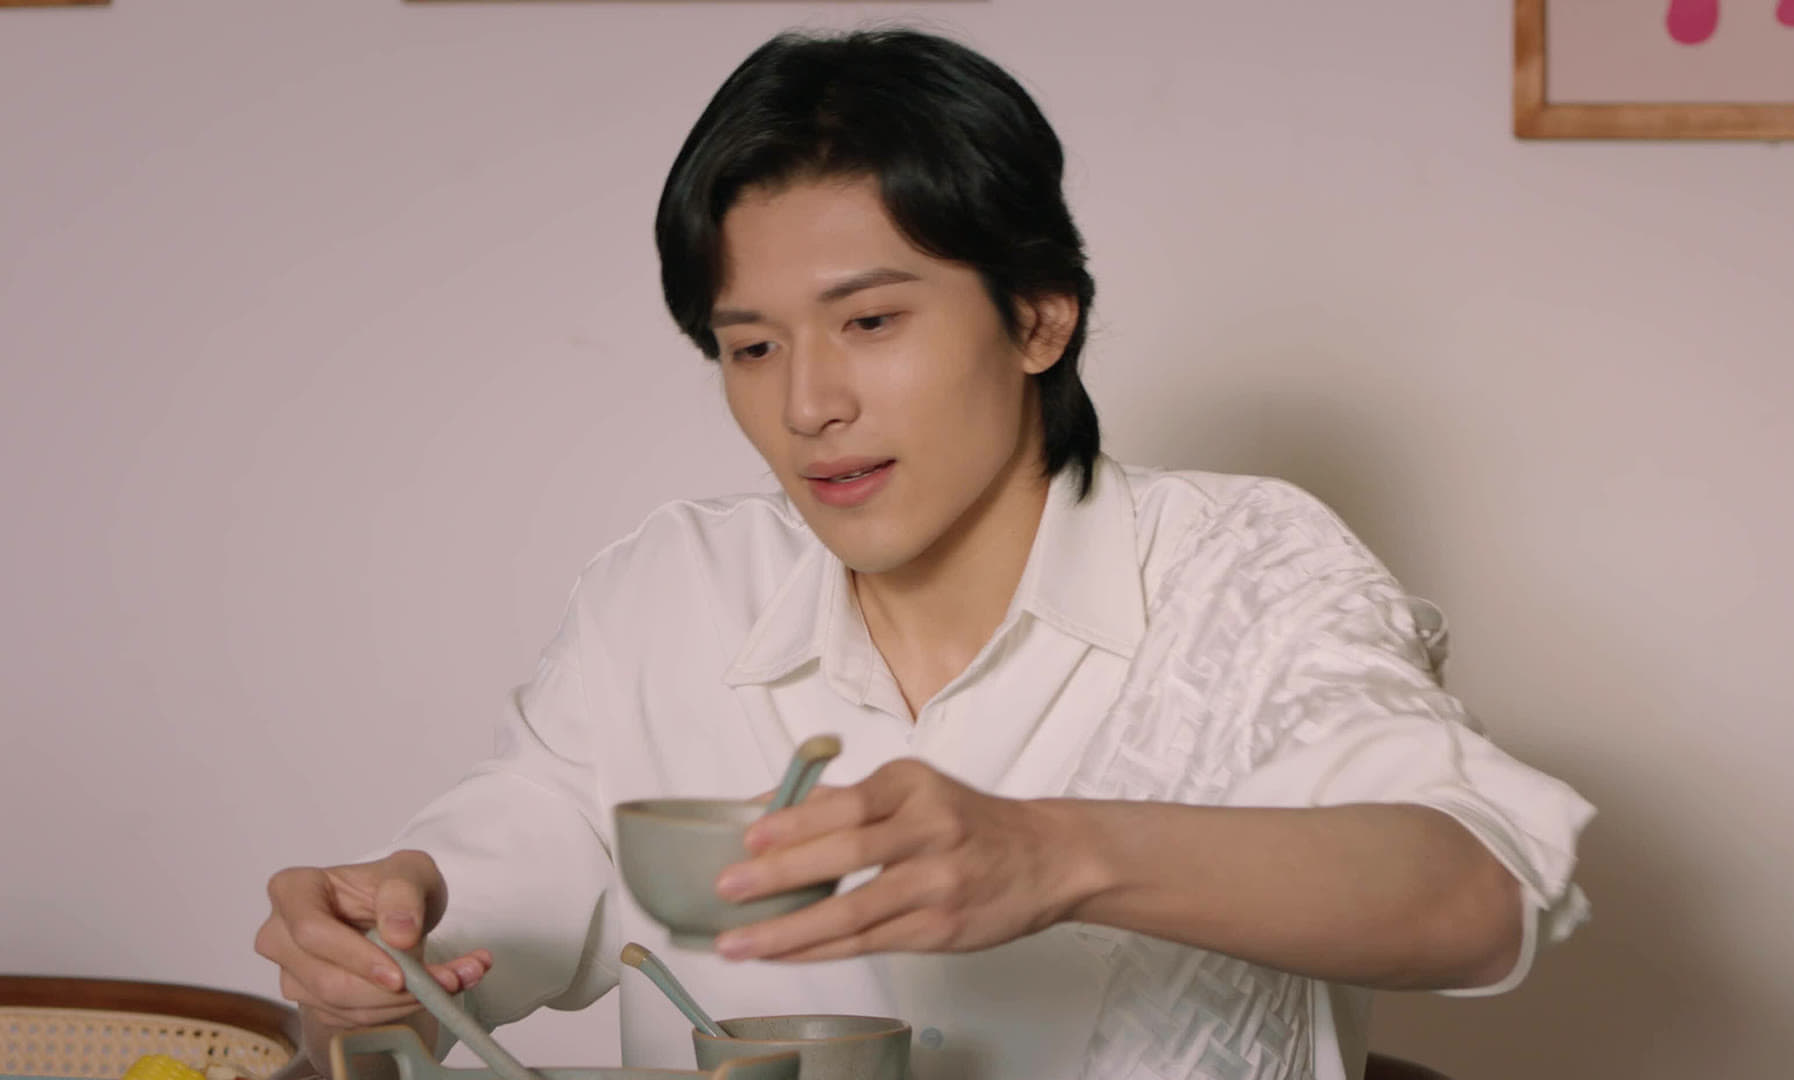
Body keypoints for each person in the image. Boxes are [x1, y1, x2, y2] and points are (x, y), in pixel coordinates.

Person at [254, 27, 1593, 1080]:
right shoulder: (672, 595)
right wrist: (370, 956)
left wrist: (1060, 854)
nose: (806, 405)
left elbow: (1476, 896)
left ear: (1039, 319)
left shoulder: (1241, 570)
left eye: (872, 323)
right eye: (751, 346)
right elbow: (487, 895)